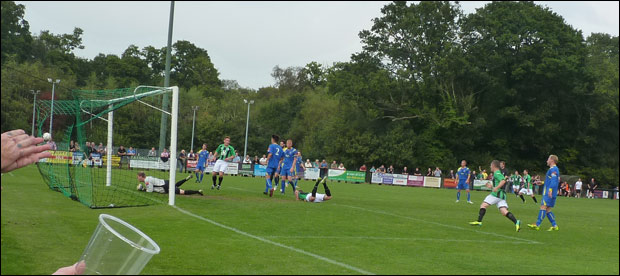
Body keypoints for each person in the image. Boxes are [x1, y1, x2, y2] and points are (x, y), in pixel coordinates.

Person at [469, 160, 521, 232]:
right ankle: (516, 222)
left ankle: (479, 221)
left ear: (493, 166)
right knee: (504, 211)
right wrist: (491, 186)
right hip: (501, 195)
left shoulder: (497, 173)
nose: (490, 167)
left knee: (483, 205)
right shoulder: (497, 173)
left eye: (490, 165)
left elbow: (503, 181)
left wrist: (496, 188)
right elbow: (501, 182)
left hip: (496, 195)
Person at [528, 155, 560, 231]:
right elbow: (550, 180)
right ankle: (555, 225)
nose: (547, 161)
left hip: (549, 192)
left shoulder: (554, 169)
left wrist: (550, 190)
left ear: (552, 160)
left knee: (543, 207)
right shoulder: (554, 169)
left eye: (548, 159)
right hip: (552, 192)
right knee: (548, 209)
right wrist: (542, 182)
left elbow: (554, 181)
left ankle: (537, 224)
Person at [136, 172, 202, 196]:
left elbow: (150, 191)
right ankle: (187, 178)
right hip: (166, 182)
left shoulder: (147, 180)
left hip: (165, 187)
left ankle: (197, 191)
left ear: (141, 176)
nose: (137, 178)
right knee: (175, 185)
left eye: (138, 177)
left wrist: (142, 189)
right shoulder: (148, 177)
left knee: (182, 192)